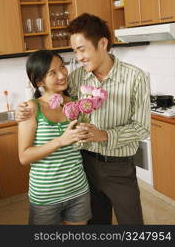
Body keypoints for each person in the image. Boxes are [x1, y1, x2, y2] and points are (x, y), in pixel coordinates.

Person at [16, 13, 151, 225]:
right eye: (74, 51)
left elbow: (142, 127)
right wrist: (22, 110)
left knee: (132, 224)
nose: (78, 57)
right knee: (96, 224)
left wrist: (104, 135)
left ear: (103, 43)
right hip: (84, 166)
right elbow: (51, 98)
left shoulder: (135, 77)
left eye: (81, 49)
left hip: (119, 168)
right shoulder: (76, 77)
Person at [18, 49, 92, 225]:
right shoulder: (31, 108)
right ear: (39, 80)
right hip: (46, 196)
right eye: (53, 73)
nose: (62, 75)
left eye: (62, 67)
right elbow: (24, 156)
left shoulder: (75, 103)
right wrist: (60, 141)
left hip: (78, 189)